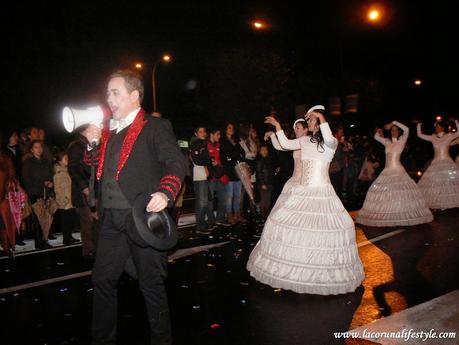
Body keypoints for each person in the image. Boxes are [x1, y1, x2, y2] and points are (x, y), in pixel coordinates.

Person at [82, 70, 185, 345]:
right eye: (107, 93)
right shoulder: (107, 131)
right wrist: (92, 144)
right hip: (111, 219)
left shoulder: (155, 127)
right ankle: (102, 339)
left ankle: (162, 340)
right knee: (102, 279)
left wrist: (166, 191)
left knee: (150, 283)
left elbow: (176, 162)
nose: (109, 98)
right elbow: (97, 167)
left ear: (134, 95)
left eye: (115, 92)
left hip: (141, 218)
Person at [247, 106, 364, 295]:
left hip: (322, 191)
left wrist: (320, 117)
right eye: (308, 119)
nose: (307, 122)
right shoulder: (304, 140)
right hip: (303, 190)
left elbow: (327, 137)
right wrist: (277, 126)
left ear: (318, 121)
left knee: (323, 230)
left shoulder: (331, 142)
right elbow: (284, 144)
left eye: (310, 119)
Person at [357, 121, 433, 226]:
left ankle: (400, 215)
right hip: (387, 171)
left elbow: (407, 130)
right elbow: (376, 137)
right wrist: (379, 130)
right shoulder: (387, 142)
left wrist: (393, 122)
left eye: (396, 130)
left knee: (399, 193)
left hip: (398, 170)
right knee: (385, 193)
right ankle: (390, 215)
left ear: (398, 132)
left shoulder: (402, 141)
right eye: (392, 130)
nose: (394, 132)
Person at [68, 126, 99, 258]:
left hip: (94, 189)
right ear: (85, 131)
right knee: (88, 221)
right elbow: (73, 169)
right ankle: (89, 251)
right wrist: (84, 187)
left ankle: (97, 249)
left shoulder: (91, 145)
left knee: (96, 221)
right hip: (85, 191)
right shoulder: (77, 146)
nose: (98, 131)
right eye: (94, 129)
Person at [416, 119, 459, 209]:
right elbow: (419, 135)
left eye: (438, 127)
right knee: (436, 183)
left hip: (447, 162)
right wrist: (418, 125)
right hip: (436, 163)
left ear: (443, 128)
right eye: (436, 127)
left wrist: (456, 122)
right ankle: (438, 204)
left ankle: (448, 203)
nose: (436, 128)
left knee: (448, 183)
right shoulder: (433, 137)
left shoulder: (449, 136)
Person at [22, 140, 55, 249]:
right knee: (38, 218)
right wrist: (42, 183)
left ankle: (44, 240)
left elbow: (51, 174)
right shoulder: (28, 163)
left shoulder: (46, 161)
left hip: (46, 193)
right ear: (31, 149)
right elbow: (26, 180)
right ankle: (39, 242)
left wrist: (50, 182)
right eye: (36, 147)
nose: (39, 149)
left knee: (47, 217)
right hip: (34, 193)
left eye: (40, 147)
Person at [189, 125, 215, 233]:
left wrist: (209, 160)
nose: (203, 133)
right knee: (202, 202)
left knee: (206, 200)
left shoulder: (202, 143)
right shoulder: (196, 144)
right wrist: (209, 161)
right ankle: (200, 225)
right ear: (196, 134)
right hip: (199, 175)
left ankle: (206, 222)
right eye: (200, 132)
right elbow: (196, 160)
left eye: (204, 131)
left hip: (204, 174)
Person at [220, 122, 247, 224]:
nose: (231, 129)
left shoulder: (235, 140)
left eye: (232, 128)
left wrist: (234, 157)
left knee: (237, 195)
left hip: (238, 172)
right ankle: (229, 215)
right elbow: (224, 157)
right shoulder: (223, 141)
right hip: (229, 171)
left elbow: (242, 153)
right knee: (229, 196)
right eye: (229, 127)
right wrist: (234, 157)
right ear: (225, 129)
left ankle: (237, 214)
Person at [53, 151, 79, 245]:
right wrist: (62, 199)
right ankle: (66, 239)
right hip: (64, 201)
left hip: (70, 200)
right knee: (65, 221)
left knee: (70, 219)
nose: (68, 160)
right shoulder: (59, 172)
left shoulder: (67, 170)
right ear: (60, 161)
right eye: (65, 158)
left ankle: (69, 236)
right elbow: (57, 187)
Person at [207, 127, 231, 226]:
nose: (219, 136)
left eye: (220, 134)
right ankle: (211, 220)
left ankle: (220, 218)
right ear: (211, 135)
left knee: (223, 197)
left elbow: (222, 160)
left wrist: (220, 165)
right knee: (210, 199)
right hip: (211, 177)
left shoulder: (219, 145)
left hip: (219, 175)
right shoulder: (206, 145)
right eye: (217, 134)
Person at [256, 144, 275, 221]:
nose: (264, 151)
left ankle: (266, 216)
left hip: (269, 183)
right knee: (264, 200)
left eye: (265, 149)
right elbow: (259, 173)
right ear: (260, 151)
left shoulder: (269, 159)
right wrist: (262, 183)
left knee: (268, 200)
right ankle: (264, 217)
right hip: (263, 184)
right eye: (262, 150)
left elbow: (270, 171)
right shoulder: (259, 160)